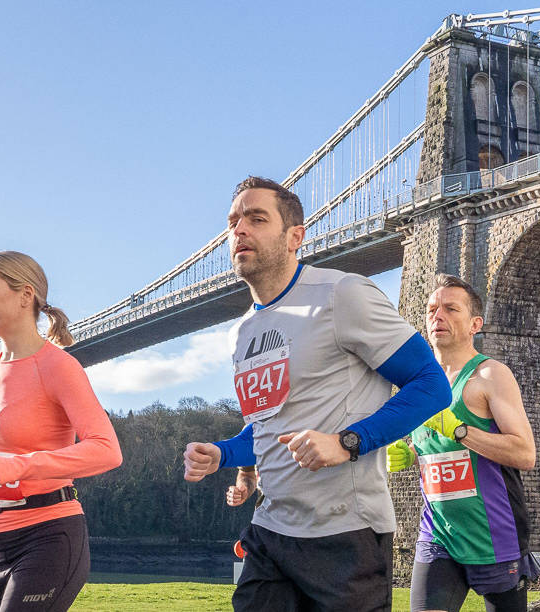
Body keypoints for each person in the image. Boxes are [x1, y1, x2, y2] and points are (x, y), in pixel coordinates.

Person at [181, 176, 451, 611]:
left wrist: (347, 443)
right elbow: (270, 426)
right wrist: (224, 453)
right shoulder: (242, 331)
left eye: (256, 218)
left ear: (295, 237)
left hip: (344, 536)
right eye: (233, 221)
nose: (239, 230)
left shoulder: (342, 294)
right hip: (271, 530)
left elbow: (432, 385)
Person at [0, 251, 123, 612]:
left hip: (49, 538)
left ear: (26, 295)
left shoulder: (59, 367)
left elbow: (107, 450)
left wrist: (13, 466)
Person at [380, 275, 537, 612]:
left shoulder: (490, 376)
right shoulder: (417, 384)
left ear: (474, 324)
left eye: (451, 309)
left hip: (493, 538)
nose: (439, 316)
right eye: (432, 309)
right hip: (438, 535)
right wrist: (410, 453)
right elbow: (436, 443)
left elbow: (524, 454)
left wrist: (463, 431)